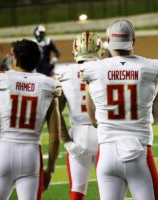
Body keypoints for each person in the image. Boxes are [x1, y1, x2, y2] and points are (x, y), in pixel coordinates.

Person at [80, 19, 158, 200]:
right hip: (139, 153)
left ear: (109, 41)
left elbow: (94, 120)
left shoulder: (93, 69)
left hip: (105, 155)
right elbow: (156, 117)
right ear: (133, 41)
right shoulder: (152, 67)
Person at [0, 39, 61, 200]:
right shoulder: (49, 85)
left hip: (3, 150)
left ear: (15, 58)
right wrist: (50, 169)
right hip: (31, 154)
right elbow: (55, 135)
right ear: (38, 59)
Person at [54, 31, 102, 200]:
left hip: (78, 135)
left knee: (77, 190)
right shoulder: (106, 68)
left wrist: (66, 141)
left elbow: (55, 112)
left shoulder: (63, 72)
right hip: (105, 134)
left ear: (75, 51)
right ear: (100, 50)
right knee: (112, 190)